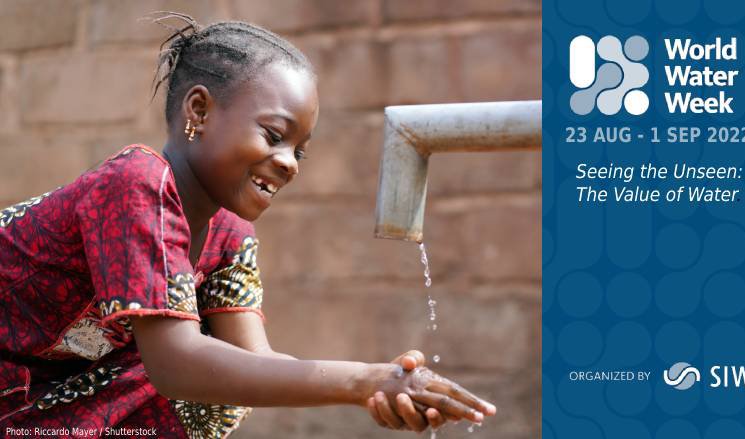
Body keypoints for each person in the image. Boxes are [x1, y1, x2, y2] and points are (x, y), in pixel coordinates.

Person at [0, 13, 496, 438]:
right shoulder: (136, 181)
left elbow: (256, 362)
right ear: (199, 110)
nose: (290, 163)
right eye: (274, 136)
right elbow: (175, 364)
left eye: (299, 150)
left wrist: (376, 387)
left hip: (38, 390)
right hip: (24, 381)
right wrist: (361, 380)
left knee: (223, 385)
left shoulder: (230, 232)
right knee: (193, 370)